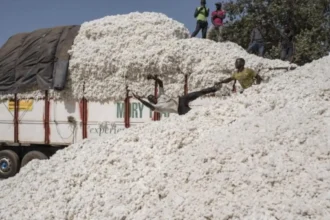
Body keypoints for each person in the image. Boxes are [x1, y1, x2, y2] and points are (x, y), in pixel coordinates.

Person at [132, 75, 222, 115]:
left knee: (197, 93)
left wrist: (153, 78)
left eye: (153, 97)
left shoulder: (161, 96)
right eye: (151, 99)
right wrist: (140, 100)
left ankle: (214, 88)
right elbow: (149, 106)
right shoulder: (157, 107)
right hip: (180, 109)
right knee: (194, 114)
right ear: (151, 102)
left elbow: (160, 82)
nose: (153, 99)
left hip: (181, 100)